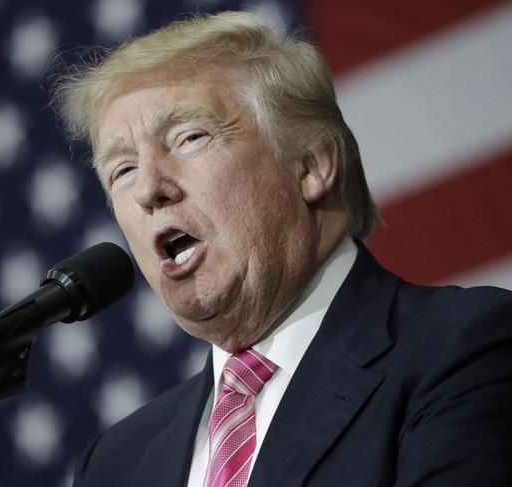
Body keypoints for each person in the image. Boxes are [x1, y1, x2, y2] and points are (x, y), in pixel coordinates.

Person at [53, 11, 512, 487]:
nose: (149, 189)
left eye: (189, 138)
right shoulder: (115, 462)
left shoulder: (463, 347)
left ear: (311, 166)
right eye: (122, 171)